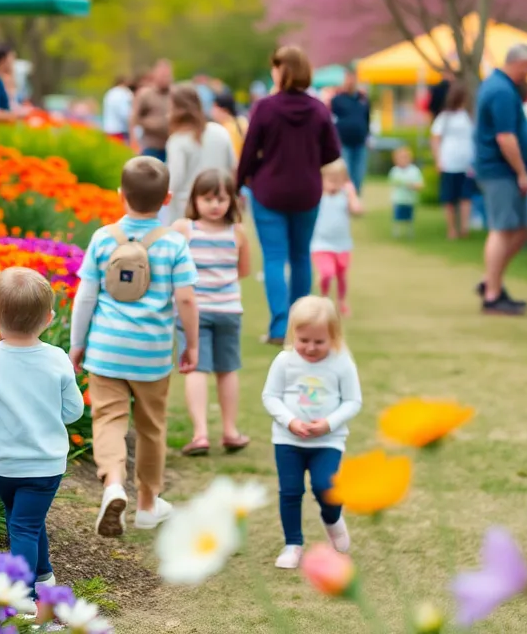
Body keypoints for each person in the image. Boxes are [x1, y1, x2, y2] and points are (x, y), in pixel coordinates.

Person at [69, 156, 199, 537]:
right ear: (168, 198)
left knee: (108, 420)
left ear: (120, 195)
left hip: (107, 350)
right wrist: (191, 344)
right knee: (151, 428)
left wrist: (78, 344)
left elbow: (85, 297)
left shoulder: (102, 238)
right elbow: (187, 300)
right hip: (153, 354)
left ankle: (112, 484)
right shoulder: (173, 243)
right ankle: (146, 505)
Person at [0, 267, 85, 607]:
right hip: (45, 465)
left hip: (2, 465)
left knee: (21, 522)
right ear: (49, 318)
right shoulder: (57, 359)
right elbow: (73, 413)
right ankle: (36, 585)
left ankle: (30, 592)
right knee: (25, 522)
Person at [237, 46, 341, 346]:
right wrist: (308, 160)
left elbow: (248, 150)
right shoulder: (319, 108)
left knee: (273, 257)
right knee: (300, 256)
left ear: (282, 71)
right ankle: (303, 325)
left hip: (268, 191)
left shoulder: (265, 108)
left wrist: (243, 179)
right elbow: (333, 151)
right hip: (307, 191)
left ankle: (279, 326)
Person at [261, 296, 361, 570]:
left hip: (328, 441)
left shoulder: (342, 362)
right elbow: (270, 396)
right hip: (288, 441)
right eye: (304, 340)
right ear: (293, 333)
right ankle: (293, 544)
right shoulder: (285, 361)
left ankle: (333, 521)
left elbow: (353, 401)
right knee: (290, 492)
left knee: (325, 487)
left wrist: (328, 423)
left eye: (319, 342)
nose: (311, 348)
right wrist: (290, 421)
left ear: (334, 336)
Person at [172, 169, 251, 457]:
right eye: (208, 198)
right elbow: (243, 271)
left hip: (196, 309)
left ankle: (202, 433)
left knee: (197, 367)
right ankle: (227, 431)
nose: (215, 205)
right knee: (226, 368)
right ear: (195, 199)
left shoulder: (184, 229)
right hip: (228, 308)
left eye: (221, 199)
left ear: (232, 200)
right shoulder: (238, 233)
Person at [474, 44, 527, 315]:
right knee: (502, 229)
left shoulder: (498, 85)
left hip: (499, 170)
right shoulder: (501, 90)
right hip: (500, 171)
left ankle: (492, 280)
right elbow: (505, 137)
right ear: (520, 63)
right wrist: (522, 172)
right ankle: (492, 294)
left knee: (519, 229)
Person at [165, 86, 236, 222]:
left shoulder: (178, 141)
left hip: (186, 211)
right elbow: (232, 168)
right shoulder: (220, 132)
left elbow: (174, 181)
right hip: (219, 206)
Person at [310, 159, 361, 317]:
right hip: (320, 244)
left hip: (342, 244)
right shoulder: (317, 194)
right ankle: (324, 299)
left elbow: (357, 210)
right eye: (330, 179)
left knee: (341, 275)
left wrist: (351, 193)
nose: (334, 183)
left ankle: (341, 301)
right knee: (326, 273)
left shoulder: (345, 194)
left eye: (338, 179)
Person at [431, 83, 476, 240]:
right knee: (449, 197)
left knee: (465, 196)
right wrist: (438, 160)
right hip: (449, 162)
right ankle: (451, 229)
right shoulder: (445, 117)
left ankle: (464, 227)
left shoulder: (467, 116)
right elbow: (435, 138)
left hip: (466, 163)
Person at [329, 69, 371, 194]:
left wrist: (368, 136)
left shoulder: (363, 99)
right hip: (343, 142)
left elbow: (367, 119)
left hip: (360, 142)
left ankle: (355, 197)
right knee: (345, 172)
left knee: (358, 174)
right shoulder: (337, 100)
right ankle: (345, 197)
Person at [130, 61, 173, 161]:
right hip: (151, 145)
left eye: (167, 76)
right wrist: (134, 142)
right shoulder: (145, 94)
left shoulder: (174, 94)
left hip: (170, 145)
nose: (165, 79)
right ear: (155, 75)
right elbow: (134, 118)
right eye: (162, 75)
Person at [387, 147, 424, 238]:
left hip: (410, 200)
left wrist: (413, 186)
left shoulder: (414, 171)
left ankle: (409, 233)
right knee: (397, 217)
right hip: (398, 200)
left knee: (409, 218)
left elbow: (420, 185)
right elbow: (392, 182)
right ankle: (396, 232)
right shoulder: (395, 171)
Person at [212, 92, 249, 162]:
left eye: (214, 107)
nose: (212, 111)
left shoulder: (225, 129)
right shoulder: (242, 121)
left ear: (224, 110)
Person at [102, 75, 136, 142]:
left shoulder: (110, 93)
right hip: (120, 131)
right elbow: (125, 114)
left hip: (109, 129)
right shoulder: (123, 93)